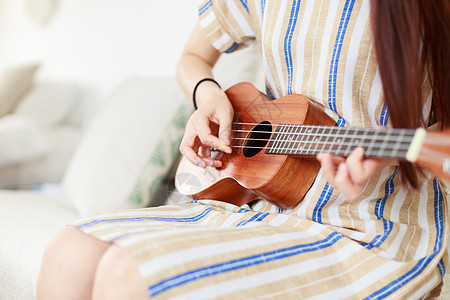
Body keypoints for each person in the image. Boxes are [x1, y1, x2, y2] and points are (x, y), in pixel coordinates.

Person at [37, 0, 449, 299]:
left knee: (130, 274)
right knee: (69, 252)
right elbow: (193, 57)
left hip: (372, 230)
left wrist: (384, 153)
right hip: (264, 206)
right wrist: (207, 95)